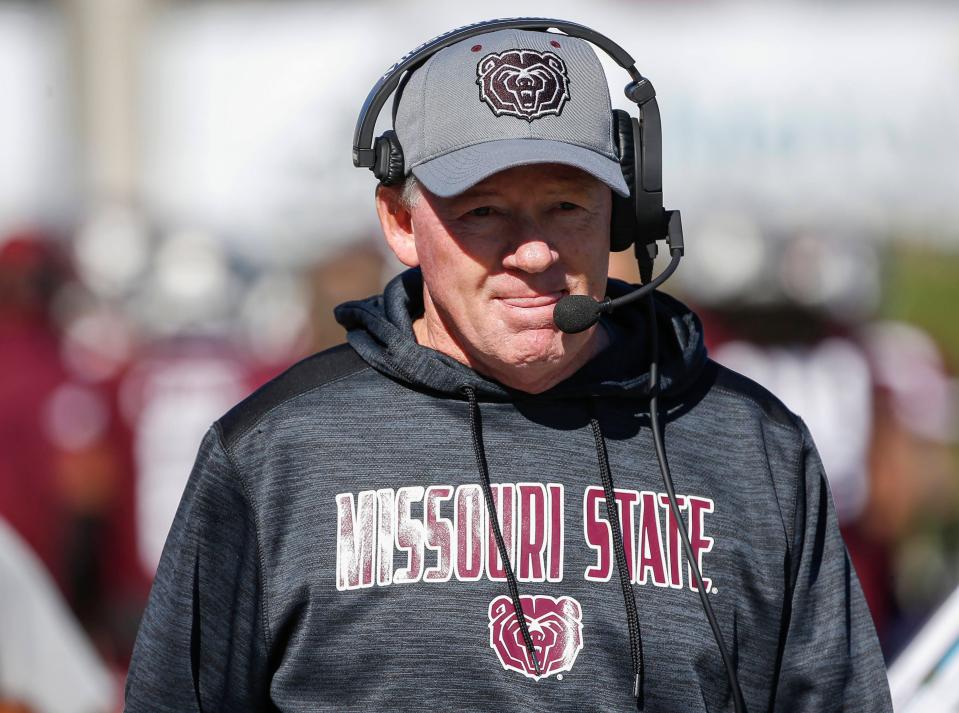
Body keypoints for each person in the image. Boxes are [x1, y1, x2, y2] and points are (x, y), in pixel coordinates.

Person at [124, 21, 893, 712]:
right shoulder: (272, 455)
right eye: (483, 211)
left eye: (566, 206)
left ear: (626, 212)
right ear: (399, 219)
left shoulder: (751, 447)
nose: (533, 253)